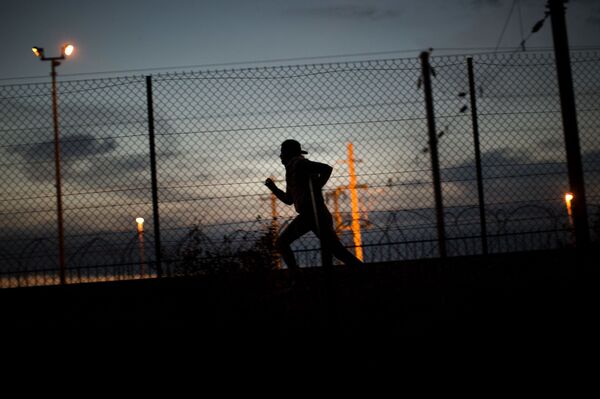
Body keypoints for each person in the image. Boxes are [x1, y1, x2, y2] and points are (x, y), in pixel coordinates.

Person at [265, 139, 364, 272]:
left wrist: (316, 187)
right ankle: (363, 275)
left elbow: (326, 169)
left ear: (289, 153)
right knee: (336, 252)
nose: (280, 156)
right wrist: (273, 188)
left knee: (282, 243)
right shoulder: (291, 170)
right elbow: (289, 200)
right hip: (311, 215)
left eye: (282, 152)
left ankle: (299, 281)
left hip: (314, 214)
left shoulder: (299, 164)